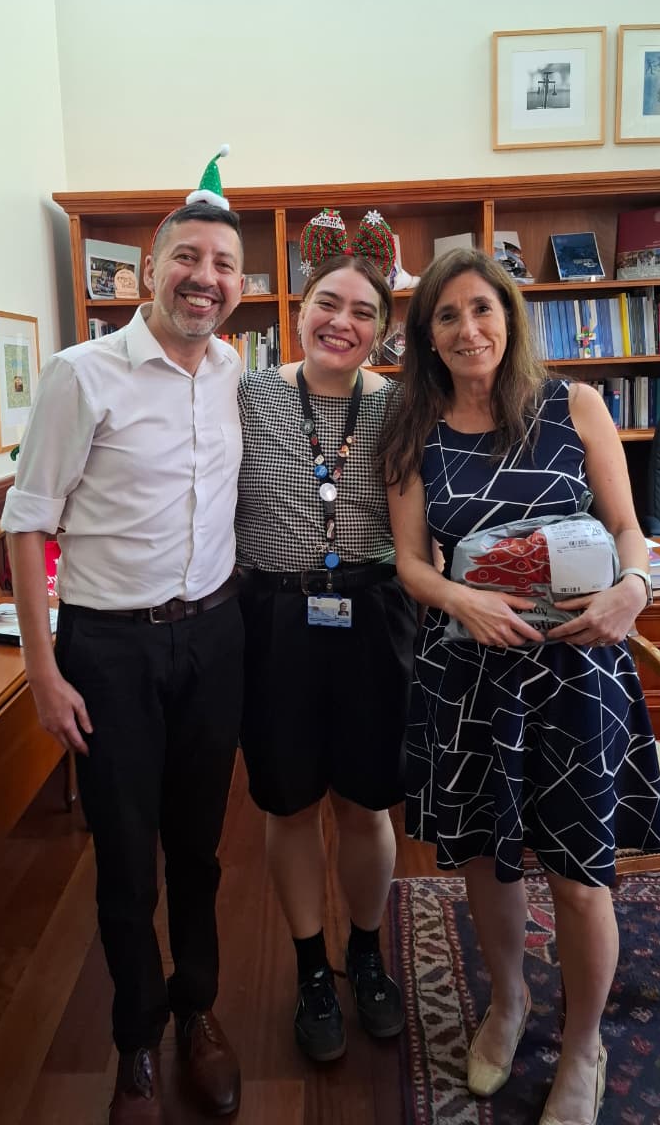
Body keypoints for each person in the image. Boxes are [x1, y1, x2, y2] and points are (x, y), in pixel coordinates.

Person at [381, 248, 660, 1125]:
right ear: (427, 336)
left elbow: (628, 529)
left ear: (509, 316)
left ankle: (584, 1045)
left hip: (579, 673)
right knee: (486, 856)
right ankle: (507, 1004)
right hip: (472, 675)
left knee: (581, 877)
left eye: (483, 308)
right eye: (447, 315)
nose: (468, 329)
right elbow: (410, 563)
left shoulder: (573, 404)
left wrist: (632, 588)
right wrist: (459, 598)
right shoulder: (414, 429)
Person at [2, 170, 246, 1124]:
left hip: (213, 637)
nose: (204, 276)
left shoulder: (233, 373)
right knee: (124, 859)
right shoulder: (82, 374)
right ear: (149, 269)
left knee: (199, 850)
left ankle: (198, 1012)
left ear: (240, 285)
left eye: (223, 264)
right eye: (186, 256)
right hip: (108, 650)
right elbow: (28, 522)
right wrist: (42, 669)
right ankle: (136, 1041)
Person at [235, 208, 418, 1063]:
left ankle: (367, 954)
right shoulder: (247, 395)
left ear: (383, 327)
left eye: (364, 311)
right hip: (275, 619)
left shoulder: (405, 408)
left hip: (374, 616)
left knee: (366, 802)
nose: (342, 322)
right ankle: (313, 968)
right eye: (328, 304)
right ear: (300, 309)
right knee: (289, 801)